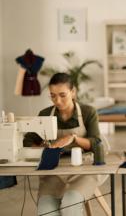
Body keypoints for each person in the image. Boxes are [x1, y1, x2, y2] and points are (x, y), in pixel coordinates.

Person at [23, 73, 103, 216]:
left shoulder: (87, 112)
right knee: (46, 211)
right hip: (53, 173)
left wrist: (73, 138)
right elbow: (28, 141)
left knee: (70, 206)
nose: (58, 101)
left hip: (83, 172)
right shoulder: (45, 114)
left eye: (62, 95)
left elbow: (96, 143)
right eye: (53, 96)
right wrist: (42, 147)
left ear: (73, 92)